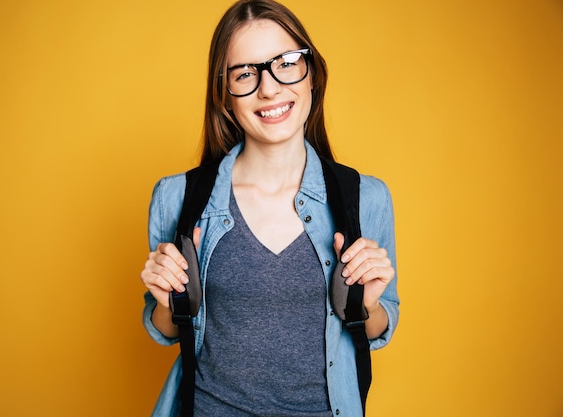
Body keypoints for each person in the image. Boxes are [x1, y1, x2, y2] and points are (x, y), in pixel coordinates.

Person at [140, 1, 400, 416]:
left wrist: (365, 307)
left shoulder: (365, 198)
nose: (270, 88)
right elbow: (167, 330)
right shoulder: (178, 199)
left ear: (311, 74)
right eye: (245, 73)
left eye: (286, 62)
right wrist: (165, 304)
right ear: (224, 96)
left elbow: (380, 326)